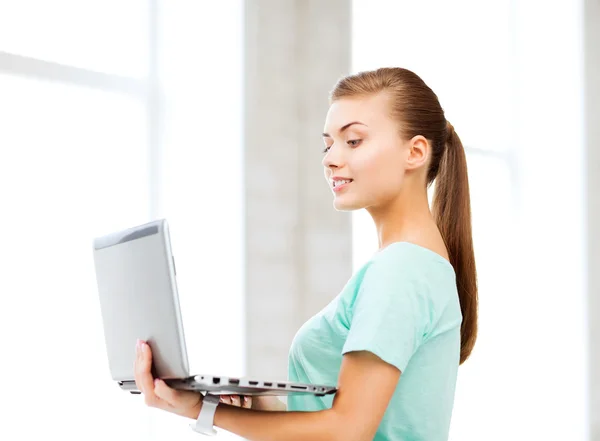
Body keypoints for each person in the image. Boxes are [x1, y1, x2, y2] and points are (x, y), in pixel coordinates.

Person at [134, 67, 478, 441]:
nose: (331, 158)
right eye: (328, 144)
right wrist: (257, 408)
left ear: (415, 152)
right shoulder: (418, 265)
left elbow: (345, 431)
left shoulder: (402, 269)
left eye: (354, 141)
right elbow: (359, 423)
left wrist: (204, 408)